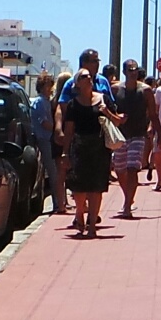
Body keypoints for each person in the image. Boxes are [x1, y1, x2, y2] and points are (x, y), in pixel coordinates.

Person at [57, 69, 113, 236]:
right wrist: (65, 153)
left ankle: (92, 225)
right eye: (84, 77)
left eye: (89, 76)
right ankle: (80, 213)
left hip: (99, 148)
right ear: (77, 84)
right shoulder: (73, 105)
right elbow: (69, 130)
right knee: (79, 187)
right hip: (79, 148)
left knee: (96, 187)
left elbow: (117, 121)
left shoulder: (103, 100)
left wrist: (107, 112)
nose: (88, 78)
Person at [110, 62, 151, 217]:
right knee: (120, 169)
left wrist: (157, 133)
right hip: (120, 135)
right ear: (124, 71)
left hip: (138, 134)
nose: (133, 72)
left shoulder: (146, 91)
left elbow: (153, 114)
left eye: (135, 70)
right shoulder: (115, 90)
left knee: (132, 168)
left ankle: (127, 206)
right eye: (130, 70)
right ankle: (128, 197)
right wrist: (117, 117)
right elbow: (109, 110)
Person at [28, 72, 65, 215]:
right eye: (48, 86)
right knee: (53, 172)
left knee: (55, 171)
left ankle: (59, 201)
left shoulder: (47, 101)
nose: (50, 89)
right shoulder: (39, 102)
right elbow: (44, 123)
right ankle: (58, 202)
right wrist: (58, 129)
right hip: (44, 140)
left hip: (49, 139)